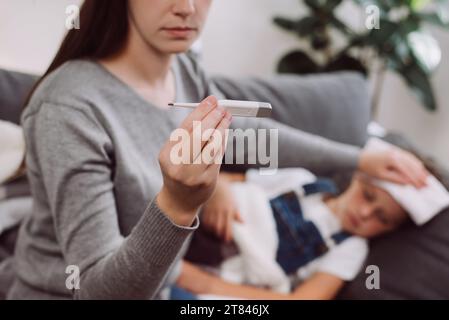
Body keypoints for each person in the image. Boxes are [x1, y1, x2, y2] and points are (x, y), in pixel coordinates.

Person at [8, 0, 427, 299]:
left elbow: (246, 132)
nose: (188, 7)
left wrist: (361, 157)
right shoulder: (70, 107)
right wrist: (177, 205)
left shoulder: (184, 68)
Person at [176, 146, 448, 300]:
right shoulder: (299, 179)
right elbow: (221, 180)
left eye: (382, 218)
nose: (365, 214)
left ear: (390, 230)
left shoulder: (350, 250)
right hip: (194, 234)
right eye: (368, 196)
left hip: (219, 283)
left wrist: (203, 284)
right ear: (358, 176)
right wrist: (219, 192)